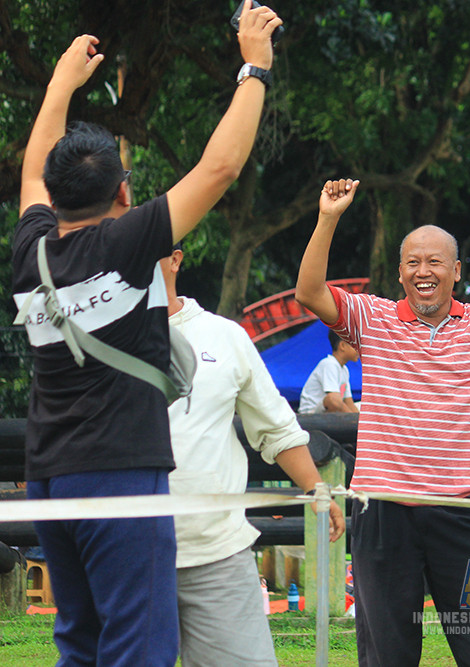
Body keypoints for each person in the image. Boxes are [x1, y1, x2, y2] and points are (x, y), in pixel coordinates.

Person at [11, 5, 280, 665]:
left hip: (49, 478)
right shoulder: (127, 242)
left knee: (81, 640)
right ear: (122, 191)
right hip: (120, 479)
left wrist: (60, 84)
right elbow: (219, 169)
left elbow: (28, 175)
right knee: (138, 643)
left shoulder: (32, 250)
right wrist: (255, 68)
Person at [295, 178, 470, 667]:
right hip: (383, 513)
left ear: (456, 272)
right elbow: (309, 291)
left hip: (464, 516)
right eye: (413, 263)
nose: (423, 272)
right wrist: (328, 218)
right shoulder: (372, 318)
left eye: (435, 262)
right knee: (387, 653)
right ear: (400, 273)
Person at [160, 246, 345, 667]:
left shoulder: (225, 336)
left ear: (175, 259)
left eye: (147, 247)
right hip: (126, 552)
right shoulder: (97, 338)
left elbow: (277, 428)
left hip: (216, 552)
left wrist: (317, 490)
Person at [299, 330, 360, 414]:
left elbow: (349, 402)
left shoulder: (344, 370)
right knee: (333, 399)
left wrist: (361, 422)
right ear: (342, 345)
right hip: (311, 414)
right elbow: (333, 400)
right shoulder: (329, 364)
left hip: (325, 412)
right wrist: (355, 422)